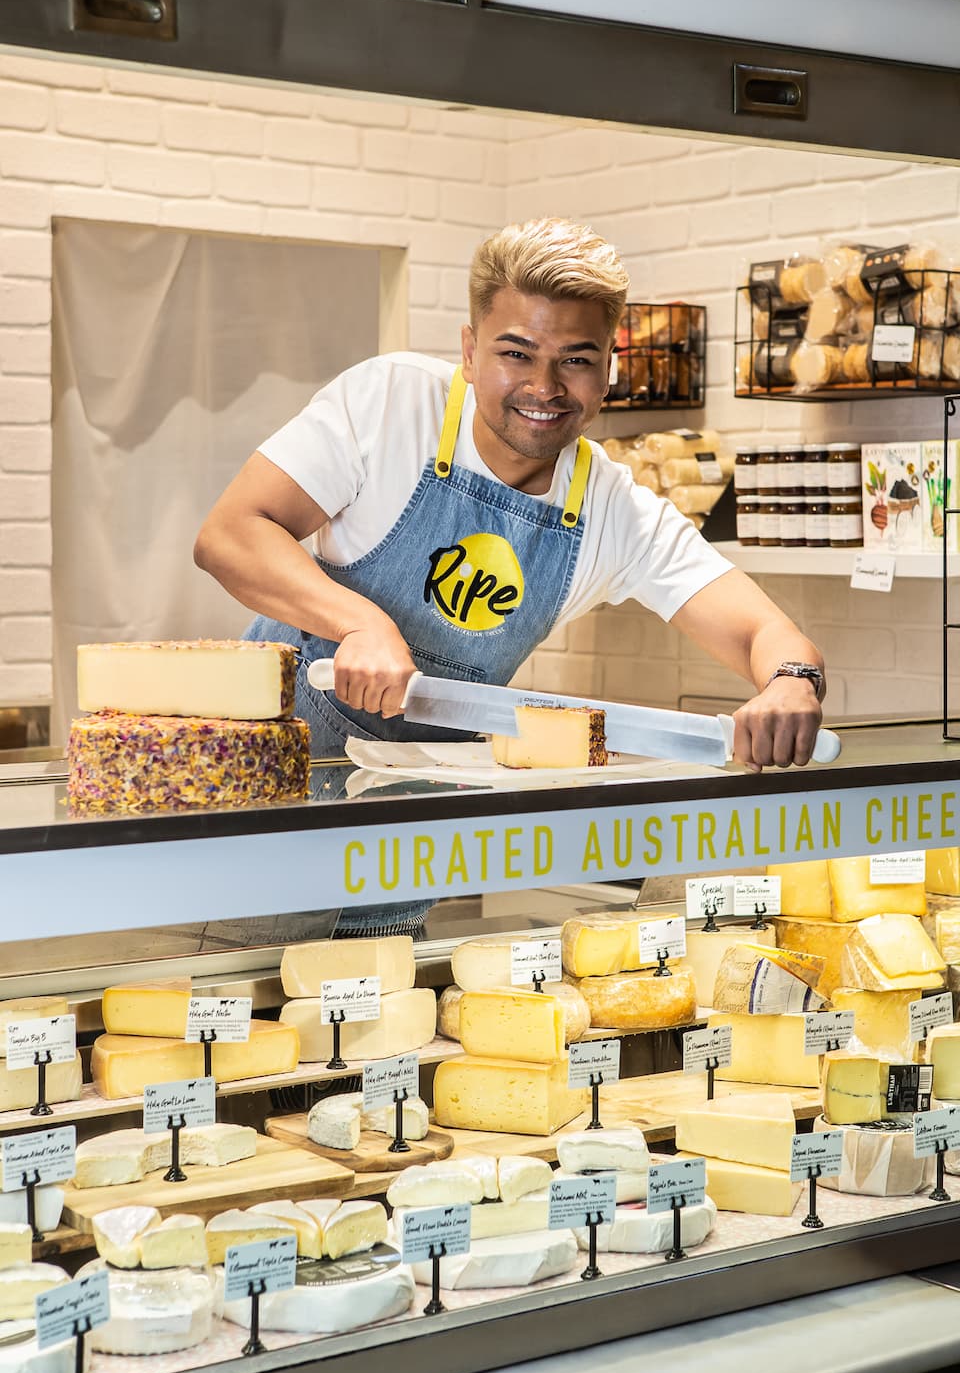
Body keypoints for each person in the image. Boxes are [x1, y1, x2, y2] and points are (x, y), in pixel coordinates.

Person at [194, 218, 825, 930]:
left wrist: (790, 682)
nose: (543, 386)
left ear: (609, 369)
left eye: (575, 360)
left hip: (404, 845)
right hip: (263, 805)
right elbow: (231, 533)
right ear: (469, 350)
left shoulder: (611, 508)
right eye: (515, 353)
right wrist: (358, 623)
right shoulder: (391, 403)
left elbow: (764, 632)